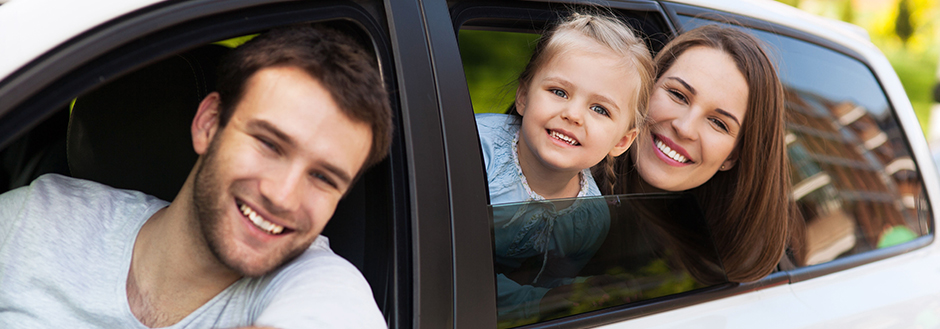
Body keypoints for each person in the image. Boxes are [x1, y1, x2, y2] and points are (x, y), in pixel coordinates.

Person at [0, 24, 392, 328]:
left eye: (324, 178)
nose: (284, 196)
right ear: (208, 124)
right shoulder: (37, 219)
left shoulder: (326, 288)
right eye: (269, 144)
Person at [475, 11, 654, 325]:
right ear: (523, 96)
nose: (573, 114)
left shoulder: (591, 220)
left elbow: (549, 291)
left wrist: (568, 295)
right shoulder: (474, 151)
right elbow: (445, 261)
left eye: (599, 109)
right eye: (559, 92)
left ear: (622, 142)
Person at [595, 24, 794, 283]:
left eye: (718, 123)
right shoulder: (558, 175)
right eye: (678, 95)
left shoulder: (718, 267)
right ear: (645, 88)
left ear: (733, 156)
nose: (685, 127)